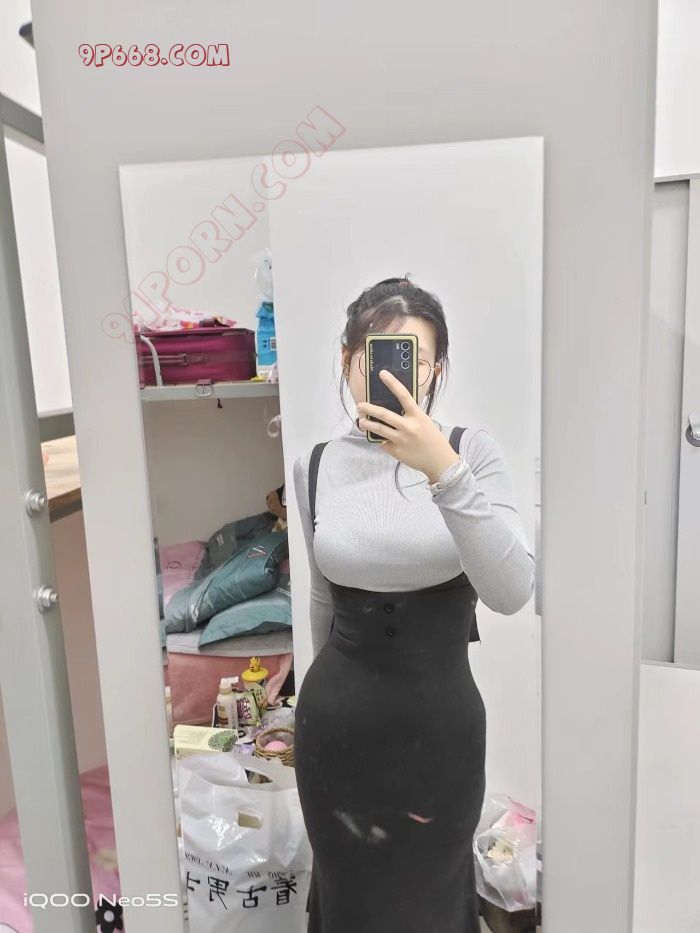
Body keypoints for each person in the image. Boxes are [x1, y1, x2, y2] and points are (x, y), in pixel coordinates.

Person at [292, 275, 535, 932]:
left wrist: (443, 470)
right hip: (335, 731)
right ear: (348, 360)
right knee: (350, 901)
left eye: (416, 359)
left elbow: (512, 590)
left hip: (440, 732)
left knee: (431, 902)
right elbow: (321, 598)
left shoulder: (471, 452)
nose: (398, 375)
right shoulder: (315, 464)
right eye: (379, 355)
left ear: (437, 369)